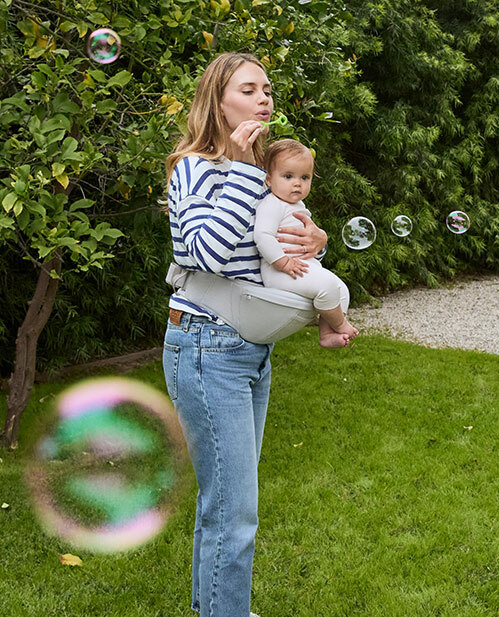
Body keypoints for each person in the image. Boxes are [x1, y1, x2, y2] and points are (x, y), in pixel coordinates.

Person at [162, 52, 327, 617]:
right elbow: (205, 251)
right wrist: (237, 168)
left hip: (250, 350)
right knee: (233, 510)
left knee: (227, 505)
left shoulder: (264, 167)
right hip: (206, 346)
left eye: (268, 89)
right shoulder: (192, 167)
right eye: (249, 89)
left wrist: (314, 239)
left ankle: (218, 608)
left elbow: (267, 245)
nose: (264, 98)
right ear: (218, 100)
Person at [254, 139, 358, 348]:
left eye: (304, 177)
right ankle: (340, 324)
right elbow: (262, 236)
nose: (297, 183)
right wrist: (282, 262)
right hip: (280, 271)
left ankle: (327, 333)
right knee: (327, 287)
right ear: (269, 179)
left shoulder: (297, 205)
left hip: (302, 266)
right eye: (288, 176)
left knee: (341, 289)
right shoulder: (272, 204)